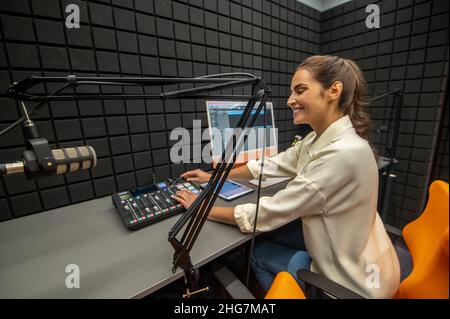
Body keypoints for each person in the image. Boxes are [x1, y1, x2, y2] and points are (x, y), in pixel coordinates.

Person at [174, 55, 400, 299]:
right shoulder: (323, 140)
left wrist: (203, 209)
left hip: (352, 285)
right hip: (369, 258)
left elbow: (267, 213)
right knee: (273, 237)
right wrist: (211, 178)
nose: (290, 100)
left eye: (300, 90)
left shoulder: (340, 154)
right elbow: (269, 165)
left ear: (334, 90)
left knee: (258, 253)